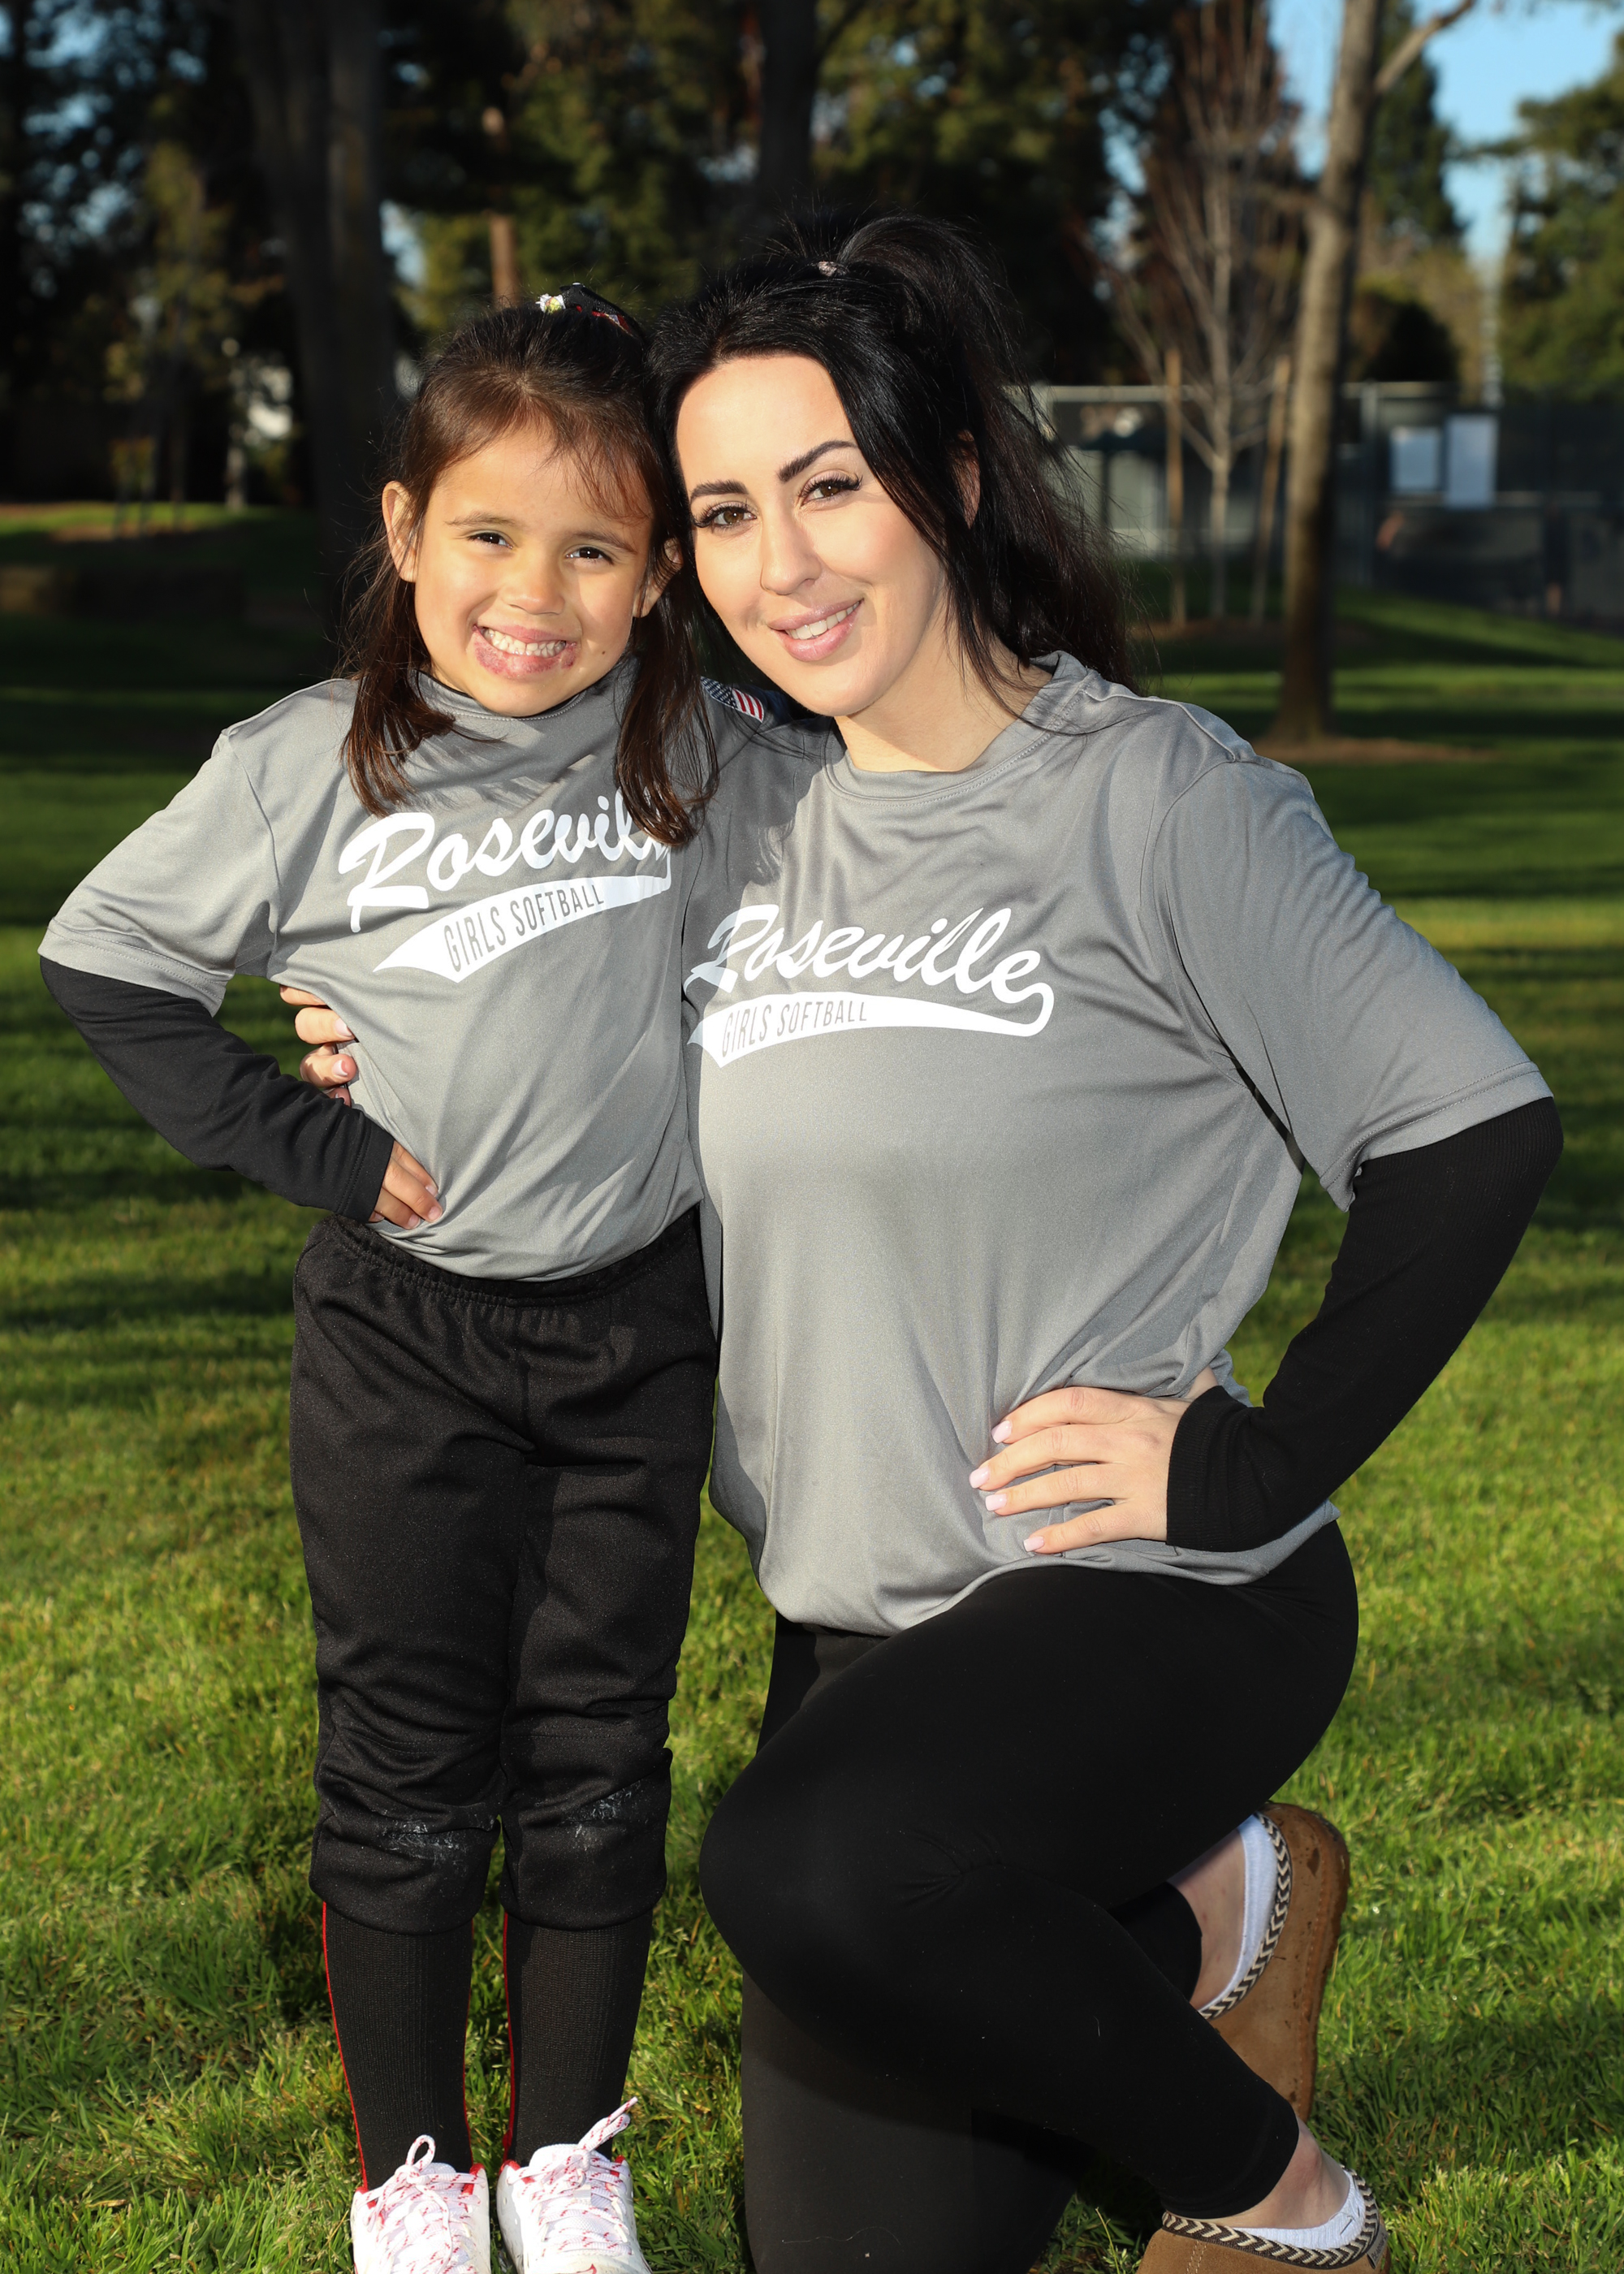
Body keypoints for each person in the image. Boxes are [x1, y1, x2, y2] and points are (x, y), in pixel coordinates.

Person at [292, 221, 1561, 2273]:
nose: (779, 562)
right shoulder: (721, 814)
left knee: (806, 1866)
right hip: (857, 1636)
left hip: (1139, 1589)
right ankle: (1207, 1905)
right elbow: (506, 965)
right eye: (722, 510)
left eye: (829, 485)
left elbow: (1474, 1128)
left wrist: (1251, 1464)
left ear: (952, 478)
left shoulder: (1153, 799)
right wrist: (365, 1030)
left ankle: (1284, 2206)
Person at [37, 289, 769, 2274]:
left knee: (600, 1752)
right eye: (488, 535)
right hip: (405, 1341)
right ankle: (420, 2178)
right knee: (407, 1761)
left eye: (595, 548)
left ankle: (565, 2159)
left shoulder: (703, 751)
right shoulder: (301, 765)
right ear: (402, 526)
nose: (533, 593)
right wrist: (319, 1144)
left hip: (636, 1324)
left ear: (658, 576)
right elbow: (107, 960)